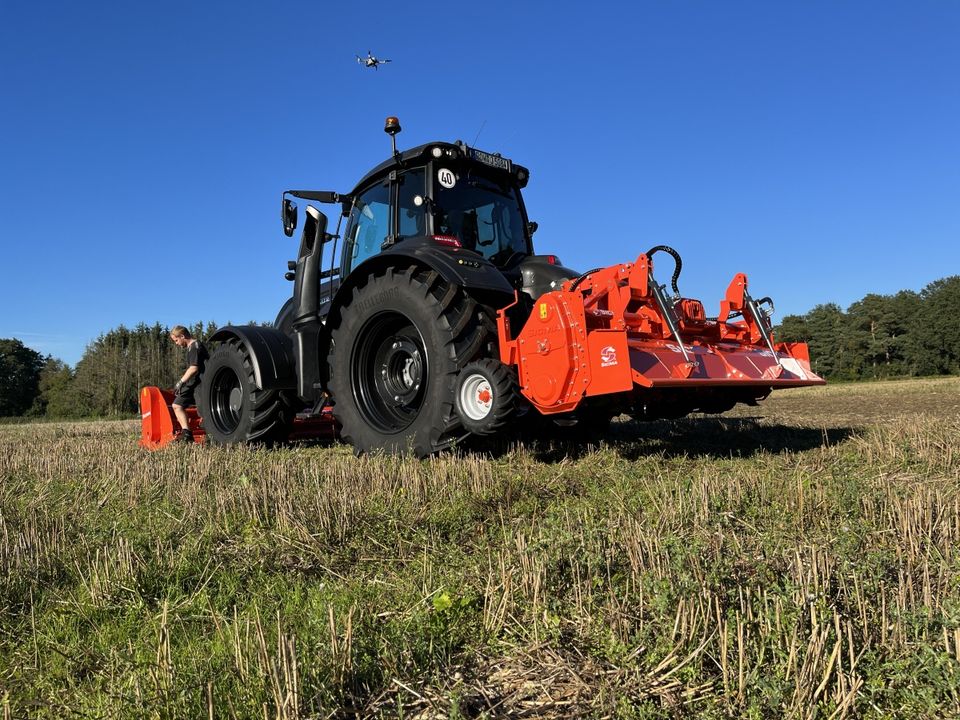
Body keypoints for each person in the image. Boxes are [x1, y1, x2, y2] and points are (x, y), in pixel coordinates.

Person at [169, 325, 208, 442]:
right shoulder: (193, 347)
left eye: (176, 340)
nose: (176, 343)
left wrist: (180, 382)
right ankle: (187, 434)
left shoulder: (194, 347)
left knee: (179, 406)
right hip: (196, 383)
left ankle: (190, 435)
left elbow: (193, 368)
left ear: (182, 336)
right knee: (178, 405)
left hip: (198, 383)